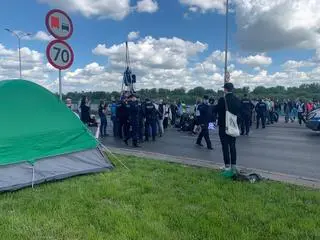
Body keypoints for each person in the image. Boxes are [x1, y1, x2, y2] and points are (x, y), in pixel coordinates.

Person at [215, 82, 241, 176]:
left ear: (225, 89)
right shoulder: (237, 99)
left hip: (223, 126)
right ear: (232, 89)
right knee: (233, 146)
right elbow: (239, 113)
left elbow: (216, 110)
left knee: (225, 147)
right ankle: (234, 165)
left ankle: (227, 167)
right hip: (233, 126)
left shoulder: (222, 99)